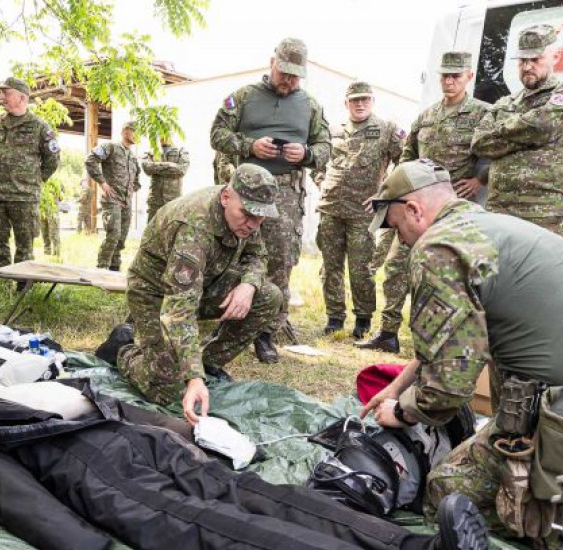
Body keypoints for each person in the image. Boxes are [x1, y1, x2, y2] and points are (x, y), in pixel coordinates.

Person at [361, 159, 563, 550]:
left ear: (414, 210)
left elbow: (447, 391)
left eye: (397, 227)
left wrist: (401, 412)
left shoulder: (437, 249)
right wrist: (397, 385)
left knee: (447, 491)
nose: (399, 240)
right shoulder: (487, 228)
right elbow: (461, 334)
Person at [0, 375, 490, 550]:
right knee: (241, 510)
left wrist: (73, 541)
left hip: (114, 457)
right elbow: (3, 488)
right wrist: (72, 540)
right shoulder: (7, 407)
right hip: (121, 454)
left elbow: (4, 486)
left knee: (236, 514)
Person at [95, 164, 283, 426]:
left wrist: (248, 285)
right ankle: (124, 348)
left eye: (260, 217)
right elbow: (179, 310)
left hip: (204, 285)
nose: (253, 224)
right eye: (247, 214)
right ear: (226, 197)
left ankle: (209, 364)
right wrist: (192, 377)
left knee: (269, 296)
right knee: (165, 389)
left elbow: (257, 255)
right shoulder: (194, 226)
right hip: (157, 295)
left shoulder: (245, 212)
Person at [357, 51, 490, 353]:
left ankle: (445, 338)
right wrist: (388, 193)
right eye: (445, 75)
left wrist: (479, 180)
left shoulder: (483, 115)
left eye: (455, 75)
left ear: (469, 76)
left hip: (453, 212)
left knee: (447, 274)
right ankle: (388, 333)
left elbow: (494, 155)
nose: (449, 81)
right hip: (416, 210)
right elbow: (407, 159)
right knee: (396, 267)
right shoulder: (426, 117)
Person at [210, 37, 331, 364]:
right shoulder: (243, 97)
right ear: (272, 62)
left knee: (279, 260)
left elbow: (325, 148)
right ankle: (226, 320)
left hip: (285, 195)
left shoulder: (310, 105)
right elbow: (217, 135)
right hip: (244, 191)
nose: (288, 80)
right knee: (232, 255)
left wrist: (305, 154)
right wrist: (249, 145)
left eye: (295, 76)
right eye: (284, 72)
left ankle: (265, 332)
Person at [471, 24, 563, 237]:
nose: (527, 66)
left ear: (555, 57)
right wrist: (532, 135)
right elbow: (479, 143)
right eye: (522, 60)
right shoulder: (505, 103)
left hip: (544, 214)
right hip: (500, 211)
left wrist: (501, 136)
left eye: (535, 59)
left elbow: (542, 126)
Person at [311, 81, 402, 339]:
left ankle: (363, 318)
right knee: (330, 267)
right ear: (346, 103)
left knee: (361, 268)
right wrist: (320, 181)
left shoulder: (386, 129)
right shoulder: (333, 130)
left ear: (372, 101)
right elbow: (318, 161)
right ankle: (334, 316)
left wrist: (384, 194)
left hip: (364, 213)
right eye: (354, 100)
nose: (360, 104)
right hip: (331, 208)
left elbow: (404, 161)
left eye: (365, 99)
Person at [0, 77, 60, 280]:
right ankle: (2, 282)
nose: (1, 97)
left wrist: (33, 181)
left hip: (24, 198)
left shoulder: (40, 127)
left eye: (6, 93)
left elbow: (52, 160)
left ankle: (22, 285)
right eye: (1, 93)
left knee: (24, 246)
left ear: (22, 98)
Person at [85, 120, 141, 271]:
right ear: (124, 131)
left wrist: (131, 190)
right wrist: (102, 182)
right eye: (134, 130)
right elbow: (90, 160)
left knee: (121, 238)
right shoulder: (110, 147)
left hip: (126, 202)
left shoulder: (133, 157)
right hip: (112, 200)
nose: (136, 134)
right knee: (113, 235)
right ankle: (102, 268)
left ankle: (114, 269)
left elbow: (136, 179)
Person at [141, 137, 190, 221]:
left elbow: (182, 170)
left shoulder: (181, 151)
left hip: (173, 200)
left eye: (166, 133)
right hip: (155, 201)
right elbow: (147, 168)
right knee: (152, 228)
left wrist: (157, 167)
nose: (163, 136)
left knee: (171, 227)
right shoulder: (151, 151)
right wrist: (170, 165)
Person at [39, 178, 63, 257]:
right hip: (42, 211)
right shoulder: (39, 181)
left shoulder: (56, 181)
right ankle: (47, 252)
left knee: (54, 233)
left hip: (53, 212)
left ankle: (56, 253)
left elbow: (61, 197)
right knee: (44, 233)